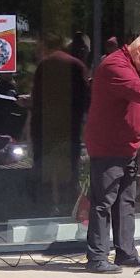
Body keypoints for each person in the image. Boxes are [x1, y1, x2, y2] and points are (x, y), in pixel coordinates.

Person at [82, 25, 140, 273]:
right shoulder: (115, 65)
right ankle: (97, 257)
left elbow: (139, 100)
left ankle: (126, 252)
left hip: (128, 145)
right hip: (108, 146)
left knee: (125, 201)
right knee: (103, 202)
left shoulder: (135, 67)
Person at [32, 33, 91, 208]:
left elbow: (37, 98)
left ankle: (43, 208)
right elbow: (85, 100)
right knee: (68, 173)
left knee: (44, 173)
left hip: (45, 129)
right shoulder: (77, 65)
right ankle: (68, 209)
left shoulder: (45, 64)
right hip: (68, 129)